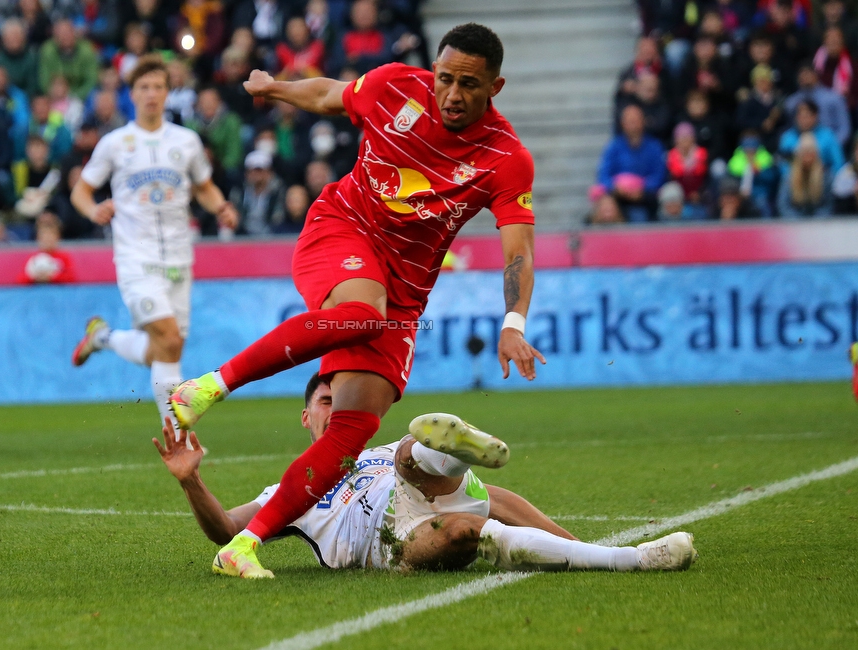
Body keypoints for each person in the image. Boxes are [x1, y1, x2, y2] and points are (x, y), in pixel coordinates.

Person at [168, 23, 543, 579]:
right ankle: (207, 386)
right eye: (445, 79)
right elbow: (326, 93)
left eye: (469, 84)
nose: (453, 94)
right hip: (341, 228)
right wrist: (274, 89)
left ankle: (243, 546)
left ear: (496, 86)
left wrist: (514, 322)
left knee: (353, 427)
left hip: (406, 292)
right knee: (362, 312)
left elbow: (519, 251)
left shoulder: (505, 157)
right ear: (433, 72)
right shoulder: (393, 85)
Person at [155, 375, 697, 575]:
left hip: (415, 479)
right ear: (306, 416)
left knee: (407, 451)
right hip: (391, 544)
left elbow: (502, 495)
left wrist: (576, 546)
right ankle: (451, 451)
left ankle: (449, 450)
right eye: (325, 401)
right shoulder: (286, 493)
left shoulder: (378, 447)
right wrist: (190, 481)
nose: (334, 407)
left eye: (343, 400)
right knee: (467, 532)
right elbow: (230, 530)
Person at [69, 54, 239, 432]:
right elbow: (81, 190)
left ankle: (104, 337)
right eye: (143, 87)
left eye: (158, 87)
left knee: (167, 347)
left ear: (167, 92)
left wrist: (222, 207)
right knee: (168, 336)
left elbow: (204, 187)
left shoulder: (186, 141)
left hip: (180, 256)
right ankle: (177, 434)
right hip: (135, 257)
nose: (151, 94)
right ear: (132, 94)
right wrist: (92, 210)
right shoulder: (116, 143)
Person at [596, 104, 665, 222]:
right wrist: (617, 187)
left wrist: (642, 188)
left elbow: (659, 175)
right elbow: (603, 175)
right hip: (619, 196)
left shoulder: (654, 146)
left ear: (643, 122)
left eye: (636, 121)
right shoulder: (613, 147)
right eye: (630, 121)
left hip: (646, 196)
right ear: (623, 124)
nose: (633, 125)